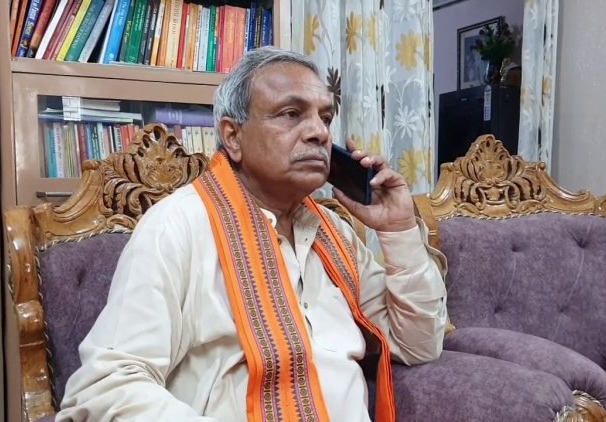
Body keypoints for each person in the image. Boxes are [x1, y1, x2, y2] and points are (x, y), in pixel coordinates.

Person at [57, 47, 447, 422]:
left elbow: (418, 344)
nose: (319, 133)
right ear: (233, 137)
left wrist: (398, 228)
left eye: (326, 118)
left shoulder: (335, 234)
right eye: (291, 114)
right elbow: (104, 387)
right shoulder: (177, 226)